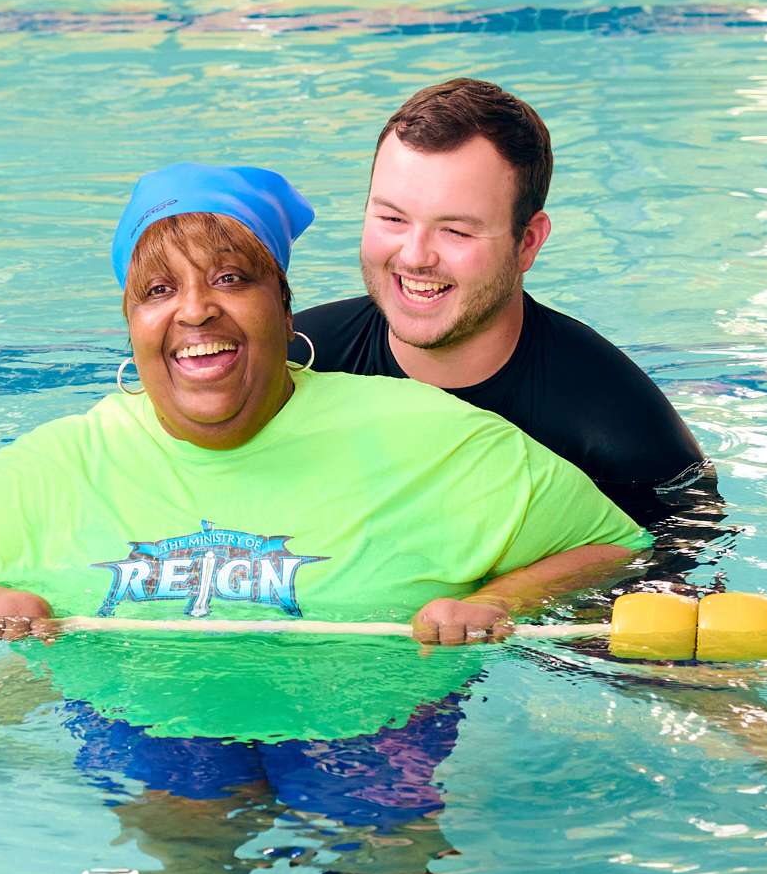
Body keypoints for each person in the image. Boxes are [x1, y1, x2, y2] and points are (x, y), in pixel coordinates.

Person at [0, 162, 649, 874]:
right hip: (151, 716)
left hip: (363, 713)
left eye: (231, 278)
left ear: (284, 306)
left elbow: (612, 547)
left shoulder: (424, 433)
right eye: (159, 289)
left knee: (374, 834)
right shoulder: (64, 460)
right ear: (131, 322)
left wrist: (500, 599)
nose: (195, 311)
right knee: (178, 813)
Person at [298, 78, 712, 533]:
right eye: (392, 219)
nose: (415, 256)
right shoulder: (294, 366)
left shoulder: (617, 428)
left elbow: (680, 562)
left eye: (455, 230)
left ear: (527, 242)